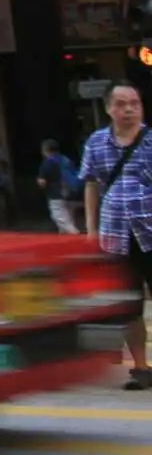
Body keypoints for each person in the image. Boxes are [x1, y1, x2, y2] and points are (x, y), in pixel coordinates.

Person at [80, 82, 152, 389]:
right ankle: (141, 367)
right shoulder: (96, 143)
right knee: (129, 307)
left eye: (134, 104)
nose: (129, 110)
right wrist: (91, 230)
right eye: (121, 104)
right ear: (109, 108)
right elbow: (91, 185)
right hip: (116, 237)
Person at [39, 139, 82, 234]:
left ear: (45, 150)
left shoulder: (47, 162)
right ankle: (65, 243)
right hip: (71, 193)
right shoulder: (65, 159)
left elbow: (42, 182)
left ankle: (76, 235)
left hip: (56, 196)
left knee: (60, 218)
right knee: (67, 220)